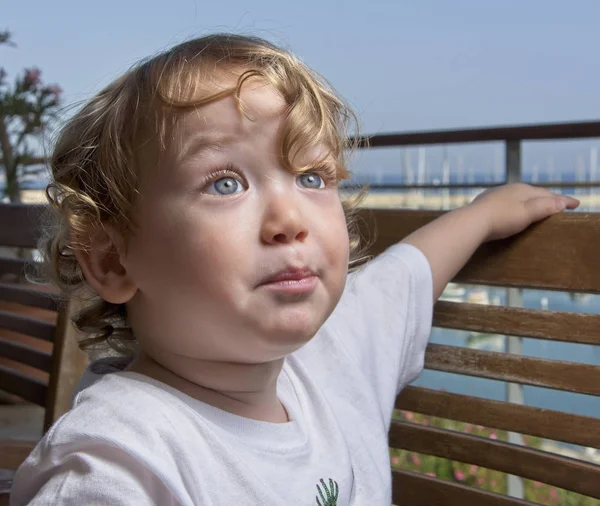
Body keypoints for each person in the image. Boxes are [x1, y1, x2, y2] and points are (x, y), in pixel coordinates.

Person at [10, 33, 578, 505]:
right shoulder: (121, 466)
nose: (289, 217)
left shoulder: (331, 359)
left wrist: (479, 217)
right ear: (112, 257)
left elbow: (404, 276)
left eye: (311, 177)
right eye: (225, 183)